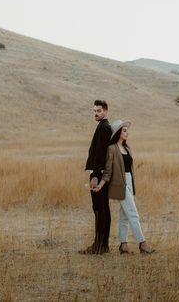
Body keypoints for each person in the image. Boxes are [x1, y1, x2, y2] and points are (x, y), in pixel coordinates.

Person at [94, 119, 155, 254]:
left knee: (124, 216)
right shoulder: (112, 149)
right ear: (118, 133)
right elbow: (108, 171)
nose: (127, 133)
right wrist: (100, 185)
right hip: (119, 183)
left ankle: (123, 244)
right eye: (124, 130)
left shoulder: (127, 148)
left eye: (127, 130)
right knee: (133, 214)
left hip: (129, 181)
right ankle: (142, 243)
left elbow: (130, 169)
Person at [79, 100, 112, 255]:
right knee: (103, 208)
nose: (96, 113)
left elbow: (100, 154)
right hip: (100, 173)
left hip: (98, 173)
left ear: (105, 111)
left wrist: (95, 176)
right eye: (94, 111)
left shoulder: (103, 127)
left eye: (98, 111)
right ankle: (103, 245)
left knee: (99, 209)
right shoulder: (104, 127)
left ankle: (98, 245)